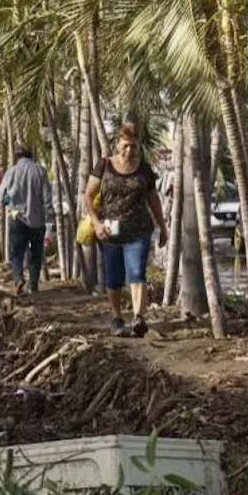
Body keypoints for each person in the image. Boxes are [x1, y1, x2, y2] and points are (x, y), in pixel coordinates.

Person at [86, 123, 168, 337]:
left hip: (138, 230)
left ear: (138, 146)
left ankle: (139, 318)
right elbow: (88, 195)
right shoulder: (104, 166)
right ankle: (116, 318)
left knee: (136, 272)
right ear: (117, 144)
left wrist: (162, 226)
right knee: (113, 278)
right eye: (125, 146)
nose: (129, 151)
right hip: (109, 232)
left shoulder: (144, 169)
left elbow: (153, 199)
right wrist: (96, 223)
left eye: (133, 146)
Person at [0, 145, 55, 294]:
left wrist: (11, 204)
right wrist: (50, 221)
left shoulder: (11, 172)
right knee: (36, 253)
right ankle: (33, 284)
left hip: (17, 218)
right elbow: (47, 199)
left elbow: (2, 196)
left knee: (17, 251)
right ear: (31, 156)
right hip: (38, 219)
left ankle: (18, 279)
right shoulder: (40, 171)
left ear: (17, 157)